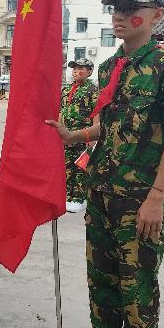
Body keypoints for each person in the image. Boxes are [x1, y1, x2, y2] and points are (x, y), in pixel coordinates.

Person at [46, 0, 164, 328]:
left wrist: (156, 197)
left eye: (131, 9)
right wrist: (74, 135)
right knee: (103, 280)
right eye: (115, 8)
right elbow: (107, 125)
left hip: (139, 200)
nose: (120, 16)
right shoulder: (110, 67)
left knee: (138, 284)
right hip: (102, 193)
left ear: (156, 16)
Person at [59, 58, 98, 213]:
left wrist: (93, 138)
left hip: (83, 135)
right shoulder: (66, 89)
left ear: (89, 72)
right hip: (66, 135)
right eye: (74, 68)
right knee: (66, 167)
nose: (76, 71)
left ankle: (79, 198)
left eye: (81, 68)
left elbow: (97, 113)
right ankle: (67, 196)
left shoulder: (93, 90)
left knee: (81, 168)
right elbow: (61, 111)